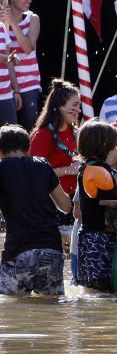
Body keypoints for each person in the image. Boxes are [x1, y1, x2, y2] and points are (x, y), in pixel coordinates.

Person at [0, 124, 73, 296]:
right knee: (51, 307)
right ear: (28, 147)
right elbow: (66, 206)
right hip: (51, 248)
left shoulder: (2, 168)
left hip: (19, 249)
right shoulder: (42, 165)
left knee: (11, 309)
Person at [75, 120, 117, 291]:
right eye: (114, 146)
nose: (116, 150)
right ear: (103, 147)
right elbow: (110, 196)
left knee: (91, 288)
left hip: (89, 236)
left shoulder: (87, 168)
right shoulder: (97, 171)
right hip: (98, 239)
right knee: (102, 286)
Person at [29, 79, 82, 199]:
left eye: (79, 105)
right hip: (53, 201)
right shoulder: (42, 135)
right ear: (59, 106)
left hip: (79, 199)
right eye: (74, 105)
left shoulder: (78, 133)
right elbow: (34, 172)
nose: (78, 110)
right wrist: (68, 170)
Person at [5, 0, 43, 129]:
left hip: (29, 84)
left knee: (29, 128)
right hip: (7, 85)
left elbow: (27, 47)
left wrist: (13, 23)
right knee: (10, 130)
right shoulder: (1, 23)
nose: (29, 0)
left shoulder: (32, 19)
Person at [0, 4, 18, 126]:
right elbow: (8, 58)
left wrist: (16, 91)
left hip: (6, 94)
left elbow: (9, 63)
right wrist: (9, 58)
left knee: (11, 138)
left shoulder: (2, 27)